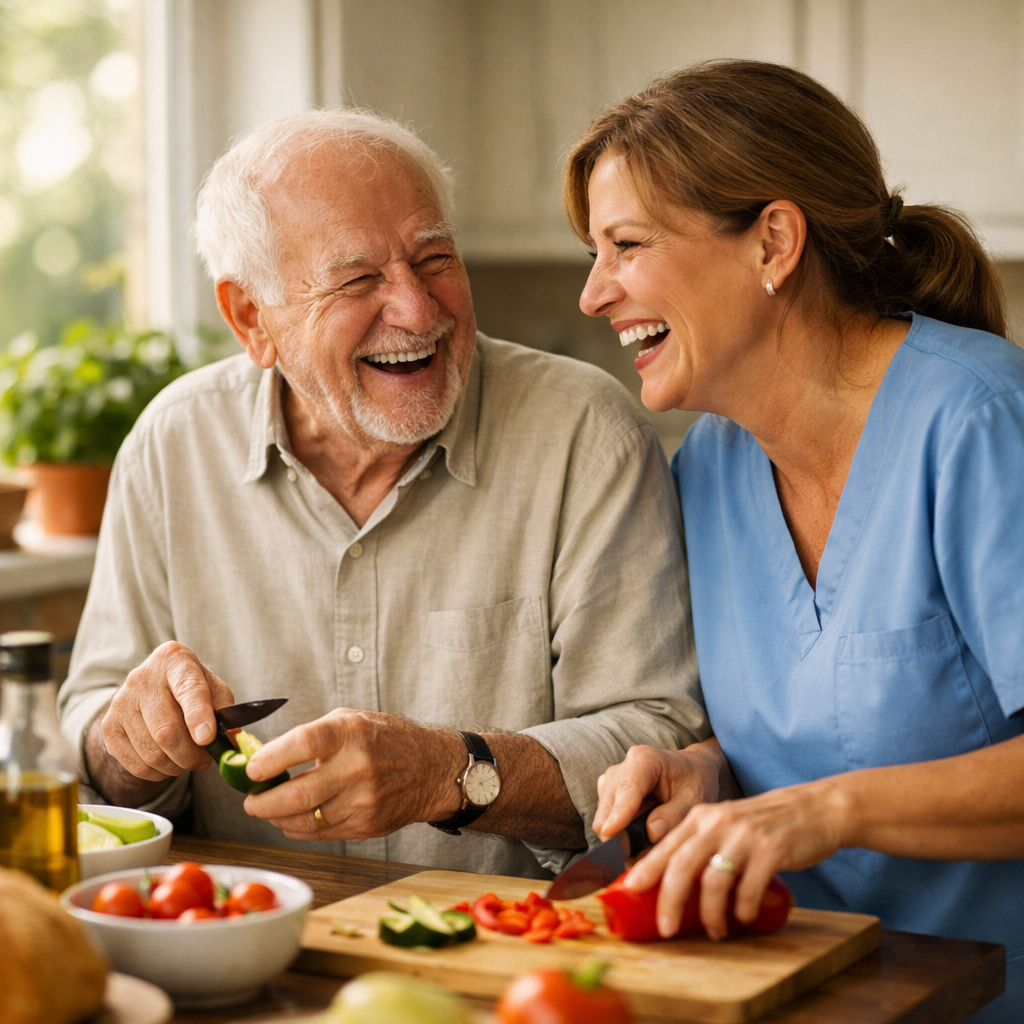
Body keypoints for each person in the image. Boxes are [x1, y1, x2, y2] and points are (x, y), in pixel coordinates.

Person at [57, 109, 707, 879]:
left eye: (434, 259)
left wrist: (449, 772)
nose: (419, 311)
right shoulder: (172, 445)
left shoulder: (584, 434)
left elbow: (656, 739)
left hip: (508, 956)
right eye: (358, 279)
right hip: (235, 942)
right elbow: (95, 746)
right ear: (249, 318)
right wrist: (130, 743)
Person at [568, 61, 1024, 1021]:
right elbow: (798, 722)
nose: (593, 293)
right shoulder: (708, 468)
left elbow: (835, 781)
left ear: (772, 241)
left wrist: (824, 811)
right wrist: (703, 767)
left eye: (626, 246)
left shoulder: (980, 422)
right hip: (801, 994)